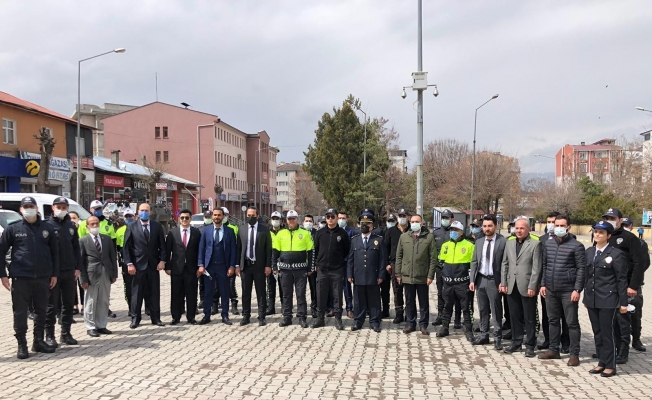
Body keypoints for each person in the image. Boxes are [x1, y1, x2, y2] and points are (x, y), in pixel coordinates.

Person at [0, 196, 59, 359]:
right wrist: (3, 275)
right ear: (21, 209)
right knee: (20, 312)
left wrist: (54, 273)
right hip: (21, 277)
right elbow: (1, 251)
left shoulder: (47, 228)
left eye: (31, 206)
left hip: (42, 277)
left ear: (36, 208)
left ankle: (38, 341)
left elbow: (55, 253)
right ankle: (22, 345)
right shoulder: (13, 228)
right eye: (25, 206)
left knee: (41, 310)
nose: (29, 208)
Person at [539, 215, 586, 367]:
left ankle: (574, 354)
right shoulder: (548, 244)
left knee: (571, 323)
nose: (557, 228)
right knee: (553, 320)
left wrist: (577, 289)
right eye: (556, 225)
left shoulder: (576, 246)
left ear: (568, 227)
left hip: (568, 290)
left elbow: (581, 269)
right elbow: (545, 265)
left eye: (561, 225)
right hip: (551, 290)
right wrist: (543, 284)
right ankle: (554, 349)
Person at [602, 208, 647, 363]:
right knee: (609, 320)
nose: (610, 220)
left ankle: (623, 352)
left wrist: (633, 286)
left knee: (623, 321)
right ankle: (611, 350)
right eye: (607, 218)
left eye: (612, 218)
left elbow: (639, 263)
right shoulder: (603, 236)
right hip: (607, 286)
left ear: (620, 220)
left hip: (625, 285)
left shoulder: (629, 238)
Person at [584, 220, 628, 378]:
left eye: (601, 232)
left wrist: (623, 302)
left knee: (607, 332)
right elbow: (587, 277)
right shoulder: (589, 252)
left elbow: (621, 280)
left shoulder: (616, 254)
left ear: (608, 235)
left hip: (608, 298)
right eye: (595, 231)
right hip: (592, 298)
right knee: (597, 332)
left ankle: (610, 365)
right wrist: (585, 297)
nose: (597, 234)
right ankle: (601, 362)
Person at [499, 217, 542, 357]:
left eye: (522, 228)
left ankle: (530, 345)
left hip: (527, 286)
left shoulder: (535, 244)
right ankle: (516, 343)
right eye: (517, 228)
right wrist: (504, 282)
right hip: (511, 285)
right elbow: (505, 264)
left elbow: (537, 268)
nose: (519, 230)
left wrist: (533, 285)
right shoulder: (509, 243)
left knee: (529, 318)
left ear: (528, 229)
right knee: (514, 316)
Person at [45, 197, 81, 348]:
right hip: (53, 272)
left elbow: (76, 248)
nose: (61, 209)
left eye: (64, 207)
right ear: (53, 208)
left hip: (69, 271)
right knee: (51, 305)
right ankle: (50, 336)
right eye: (58, 206)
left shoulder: (70, 225)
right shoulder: (46, 225)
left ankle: (66, 333)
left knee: (68, 304)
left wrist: (78, 267)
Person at [123, 203, 167, 328]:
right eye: (142, 210)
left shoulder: (157, 226)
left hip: (153, 265)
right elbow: (126, 248)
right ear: (138, 212)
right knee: (137, 293)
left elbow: (162, 246)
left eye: (146, 210)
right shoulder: (131, 227)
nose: (144, 212)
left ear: (151, 212)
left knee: (154, 292)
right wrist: (129, 264)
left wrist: (162, 261)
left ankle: (156, 318)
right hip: (137, 266)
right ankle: (135, 318)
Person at [396, 213, 437, 335]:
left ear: (422, 223)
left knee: (423, 302)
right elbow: (398, 256)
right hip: (407, 275)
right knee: (409, 301)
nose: (414, 224)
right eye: (412, 222)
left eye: (416, 222)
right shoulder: (404, 237)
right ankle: (410, 323)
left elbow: (433, 258)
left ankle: (423, 325)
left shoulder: (428, 237)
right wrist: (398, 273)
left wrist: (430, 275)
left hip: (422, 276)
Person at [469, 214, 506, 349]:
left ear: (495, 226)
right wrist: (472, 279)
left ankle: (497, 337)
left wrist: (503, 281)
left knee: (496, 310)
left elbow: (505, 263)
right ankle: (484, 335)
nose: (487, 228)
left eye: (490, 226)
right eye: (484, 226)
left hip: (494, 281)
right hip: (481, 280)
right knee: (483, 309)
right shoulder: (479, 242)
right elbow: (474, 261)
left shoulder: (502, 241)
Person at [272, 210, 314, 328]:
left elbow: (311, 252)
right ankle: (287, 317)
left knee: (301, 294)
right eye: (289, 218)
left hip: (300, 270)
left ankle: (302, 317)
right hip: (285, 270)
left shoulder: (305, 233)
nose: (291, 220)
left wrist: (310, 267)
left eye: (294, 218)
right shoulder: (281, 233)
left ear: (297, 219)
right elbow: (274, 252)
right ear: (286, 220)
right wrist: (274, 266)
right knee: (286, 295)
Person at [312, 208, 350, 330]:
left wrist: (339, 262)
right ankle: (320, 319)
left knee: (337, 295)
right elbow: (316, 250)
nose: (330, 219)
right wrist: (317, 264)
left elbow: (346, 251)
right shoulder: (320, 233)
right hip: (322, 270)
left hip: (336, 270)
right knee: (321, 294)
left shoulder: (342, 234)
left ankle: (338, 320)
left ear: (337, 218)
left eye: (332, 216)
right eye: (328, 217)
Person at [537, 211, 570, 352]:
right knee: (548, 314)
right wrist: (541, 283)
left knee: (565, 315)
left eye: (553, 222)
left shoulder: (571, 239)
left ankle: (566, 342)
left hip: (564, 285)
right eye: (549, 222)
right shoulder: (543, 239)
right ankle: (549, 340)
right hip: (547, 285)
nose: (551, 225)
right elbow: (541, 263)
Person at [197, 207, 237, 325]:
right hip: (209, 267)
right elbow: (201, 248)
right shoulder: (206, 231)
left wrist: (232, 266)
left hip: (223, 266)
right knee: (208, 292)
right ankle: (207, 315)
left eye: (219, 215)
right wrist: (201, 264)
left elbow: (233, 250)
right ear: (212, 216)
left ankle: (225, 315)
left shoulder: (229, 231)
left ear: (223, 216)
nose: (217, 217)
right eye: (215, 215)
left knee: (224, 291)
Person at [79, 216, 117, 337]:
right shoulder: (83, 241)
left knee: (104, 300)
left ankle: (101, 325)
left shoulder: (107, 239)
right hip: (91, 275)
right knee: (90, 301)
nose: (95, 226)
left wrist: (114, 274)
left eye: (96, 223)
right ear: (87, 226)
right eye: (92, 224)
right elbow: (80, 262)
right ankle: (90, 326)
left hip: (106, 273)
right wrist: (83, 279)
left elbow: (112, 257)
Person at [347, 211, 385, 332]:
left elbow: (382, 260)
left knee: (374, 300)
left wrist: (381, 275)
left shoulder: (378, 240)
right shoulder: (354, 240)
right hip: (358, 275)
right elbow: (350, 259)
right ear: (359, 225)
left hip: (373, 275)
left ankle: (375, 322)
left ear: (372, 225)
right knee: (358, 300)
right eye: (363, 223)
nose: (365, 226)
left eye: (368, 224)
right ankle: (358, 321)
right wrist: (349, 274)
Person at [436, 221, 474, 340]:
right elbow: (441, 262)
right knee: (447, 306)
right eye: (452, 229)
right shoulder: (445, 245)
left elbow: (473, 265)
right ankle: (445, 327)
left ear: (462, 232)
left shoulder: (470, 246)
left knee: (466, 307)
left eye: (456, 230)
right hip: (448, 282)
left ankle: (468, 330)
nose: (453, 232)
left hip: (462, 282)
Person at [235, 206, 272, 326]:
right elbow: (239, 248)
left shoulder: (264, 229)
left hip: (259, 266)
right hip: (246, 266)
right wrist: (237, 265)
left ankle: (262, 317)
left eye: (253, 215)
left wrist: (268, 265)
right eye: (249, 215)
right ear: (246, 216)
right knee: (246, 292)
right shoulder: (241, 229)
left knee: (261, 292)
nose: (251, 217)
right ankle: (246, 316)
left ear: (258, 216)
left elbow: (268, 249)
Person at [165, 209, 201, 325]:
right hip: (176, 268)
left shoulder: (196, 232)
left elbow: (200, 251)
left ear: (190, 219)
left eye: (187, 218)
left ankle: (191, 317)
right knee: (176, 294)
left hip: (192, 269)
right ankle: (176, 317)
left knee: (191, 293)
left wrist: (200, 266)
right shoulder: (172, 233)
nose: (184, 220)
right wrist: (167, 267)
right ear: (179, 219)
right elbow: (167, 251)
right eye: (182, 218)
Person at [432, 209, 462, 328]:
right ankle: (441, 316)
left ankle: (457, 319)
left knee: (456, 294)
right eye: (443, 218)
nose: (445, 220)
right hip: (440, 268)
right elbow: (433, 251)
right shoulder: (436, 233)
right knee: (441, 293)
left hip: (454, 268)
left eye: (447, 218)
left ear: (452, 219)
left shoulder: (456, 232)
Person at [384, 211, 410, 323]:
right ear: (397, 218)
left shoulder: (412, 231)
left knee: (409, 290)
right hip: (395, 264)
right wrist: (387, 263)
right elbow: (385, 248)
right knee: (397, 290)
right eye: (400, 216)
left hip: (409, 264)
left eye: (404, 216)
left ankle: (409, 314)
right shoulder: (391, 231)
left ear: (408, 217)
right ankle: (399, 313)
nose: (402, 218)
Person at [219, 207, 240, 316]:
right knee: (216, 285)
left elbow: (236, 247)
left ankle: (234, 303)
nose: (223, 217)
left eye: (225, 214)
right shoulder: (212, 227)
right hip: (217, 262)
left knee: (231, 285)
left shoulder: (234, 228)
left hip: (230, 261)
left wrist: (236, 264)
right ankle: (215, 304)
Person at [116, 209, 135, 316]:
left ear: (134, 217)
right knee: (128, 286)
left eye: (130, 216)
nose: (129, 219)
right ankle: (130, 308)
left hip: (138, 261)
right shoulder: (119, 231)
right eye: (127, 217)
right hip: (126, 262)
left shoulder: (138, 228)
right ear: (124, 218)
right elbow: (118, 248)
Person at [337, 211, 356, 319]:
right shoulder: (335, 230)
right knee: (334, 288)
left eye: (343, 218)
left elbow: (351, 248)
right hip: (335, 264)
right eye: (339, 218)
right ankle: (334, 308)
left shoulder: (351, 232)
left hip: (346, 263)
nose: (341, 220)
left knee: (347, 287)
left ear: (347, 220)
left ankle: (349, 309)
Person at [266, 211, 284, 315]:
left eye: (277, 219)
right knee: (270, 286)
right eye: (273, 219)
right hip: (270, 262)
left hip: (282, 262)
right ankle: (271, 307)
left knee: (283, 286)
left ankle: (284, 306)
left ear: (281, 220)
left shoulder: (285, 232)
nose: (275, 221)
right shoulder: (267, 232)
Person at [303, 214, 319, 318]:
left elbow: (319, 250)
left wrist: (316, 264)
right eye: (306, 221)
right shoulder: (300, 233)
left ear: (313, 222)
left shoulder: (317, 233)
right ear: (303, 222)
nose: (308, 223)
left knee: (314, 288)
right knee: (301, 289)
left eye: (310, 221)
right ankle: (302, 309)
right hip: (301, 265)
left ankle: (314, 308)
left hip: (313, 266)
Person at [198, 210, 213, 312]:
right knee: (202, 282)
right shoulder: (199, 230)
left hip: (213, 261)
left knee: (214, 283)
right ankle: (202, 300)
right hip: (203, 261)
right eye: (206, 217)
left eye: (209, 217)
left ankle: (215, 301)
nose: (207, 218)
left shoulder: (215, 228)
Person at [68, 210, 83, 316]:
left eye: (74, 218)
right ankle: (74, 305)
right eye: (70, 218)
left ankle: (84, 305)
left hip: (82, 261)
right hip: (70, 262)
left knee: (82, 284)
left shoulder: (82, 230)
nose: (72, 220)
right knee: (71, 285)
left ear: (78, 219)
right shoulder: (67, 231)